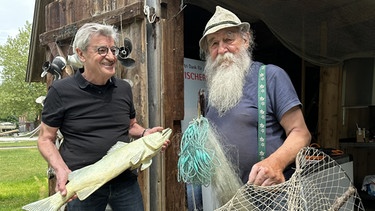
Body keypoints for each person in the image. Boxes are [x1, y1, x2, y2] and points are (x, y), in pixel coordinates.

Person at [38, 22, 170, 211]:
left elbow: (130, 125)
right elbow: (45, 139)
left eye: (113, 50)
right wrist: (60, 169)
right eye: (102, 50)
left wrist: (145, 133)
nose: (111, 56)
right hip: (83, 184)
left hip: (124, 182)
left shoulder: (123, 88)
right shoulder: (61, 91)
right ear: (81, 54)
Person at [199, 6, 311, 187]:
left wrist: (275, 163)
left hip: (269, 195)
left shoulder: (271, 76)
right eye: (214, 43)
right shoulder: (214, 90)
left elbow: (301, 134)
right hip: (228, 196)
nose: (221, 49)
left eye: (228, 39)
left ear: (245, 40)